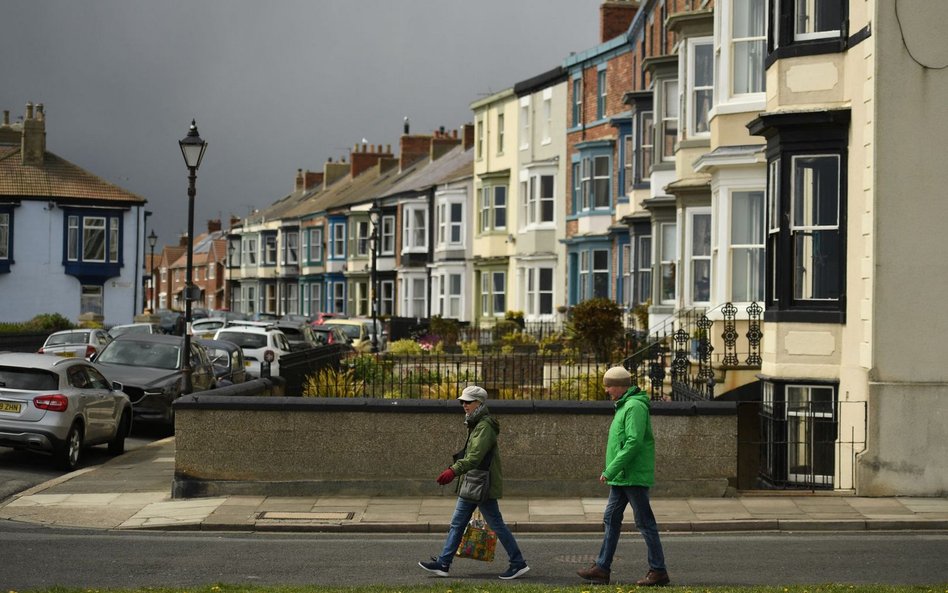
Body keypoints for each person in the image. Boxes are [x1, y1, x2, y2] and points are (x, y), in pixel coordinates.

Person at [418, 385, 530, 580]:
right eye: (462, 401)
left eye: (468, 401)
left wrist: (453, 470)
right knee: (457, 523)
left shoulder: (485, 426)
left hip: (482, 484)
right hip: (473, 482)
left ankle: (518, 562)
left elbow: (475, 457)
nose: (464, 405)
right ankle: (443, 563)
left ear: (479, 403)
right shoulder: (475, 423)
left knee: (496, 525)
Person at [577, 365, 670, 586]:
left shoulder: (634, 407)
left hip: (632, 475)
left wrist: (611, 469)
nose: (606, 391)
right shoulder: (624, 405)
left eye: (608, 386)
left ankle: (658, 571)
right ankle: (602, 567)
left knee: (645, 523)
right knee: (611, 519)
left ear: (619, 386)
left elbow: (633, 442)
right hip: (623, 476)